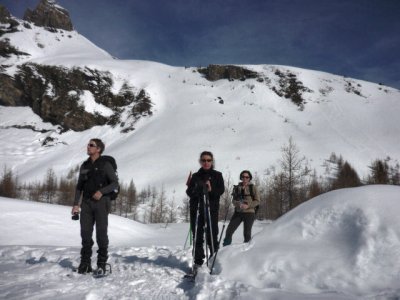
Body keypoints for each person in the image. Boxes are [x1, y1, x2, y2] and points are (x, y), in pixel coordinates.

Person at [71, 138, 119, 274]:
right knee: (85, 233)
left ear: (98, 149)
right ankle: (85, 264)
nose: (88, 147)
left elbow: (115, 183)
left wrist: (101, 192)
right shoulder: (84, 165)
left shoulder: (105, 164)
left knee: (101, 234)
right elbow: (79, 187)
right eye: (88, 144)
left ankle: (102, 264)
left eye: (91, 145)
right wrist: (76, 204)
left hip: (102, 203)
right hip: (86, 203)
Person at [186, 151, 224, 270]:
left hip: (211, 210)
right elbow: (189, 192)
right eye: (204, 160)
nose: (206, 162)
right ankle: (198, 263)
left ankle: (214, 262)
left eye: (208, 160)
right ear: (200, 161)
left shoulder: (217, 175)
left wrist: (211, 189)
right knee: (197, 236)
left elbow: (220, 191)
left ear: (212, 161)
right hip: (197, 210)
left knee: (212, 236)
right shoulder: (196, 176)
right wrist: (196, 190)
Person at [223, 170, 260, 246]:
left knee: (247, 233)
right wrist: (238, 204)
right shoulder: (237, 188)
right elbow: (233, 200)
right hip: (238, 212)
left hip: (249, 213)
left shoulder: (253, 188)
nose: (245, 179)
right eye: (243, 177)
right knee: (229, 231)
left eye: (247, 177)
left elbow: (257, 201)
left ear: (249, 178)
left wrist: (248, 205)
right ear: (241, 177)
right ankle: (225, 249)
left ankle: (246, 252)